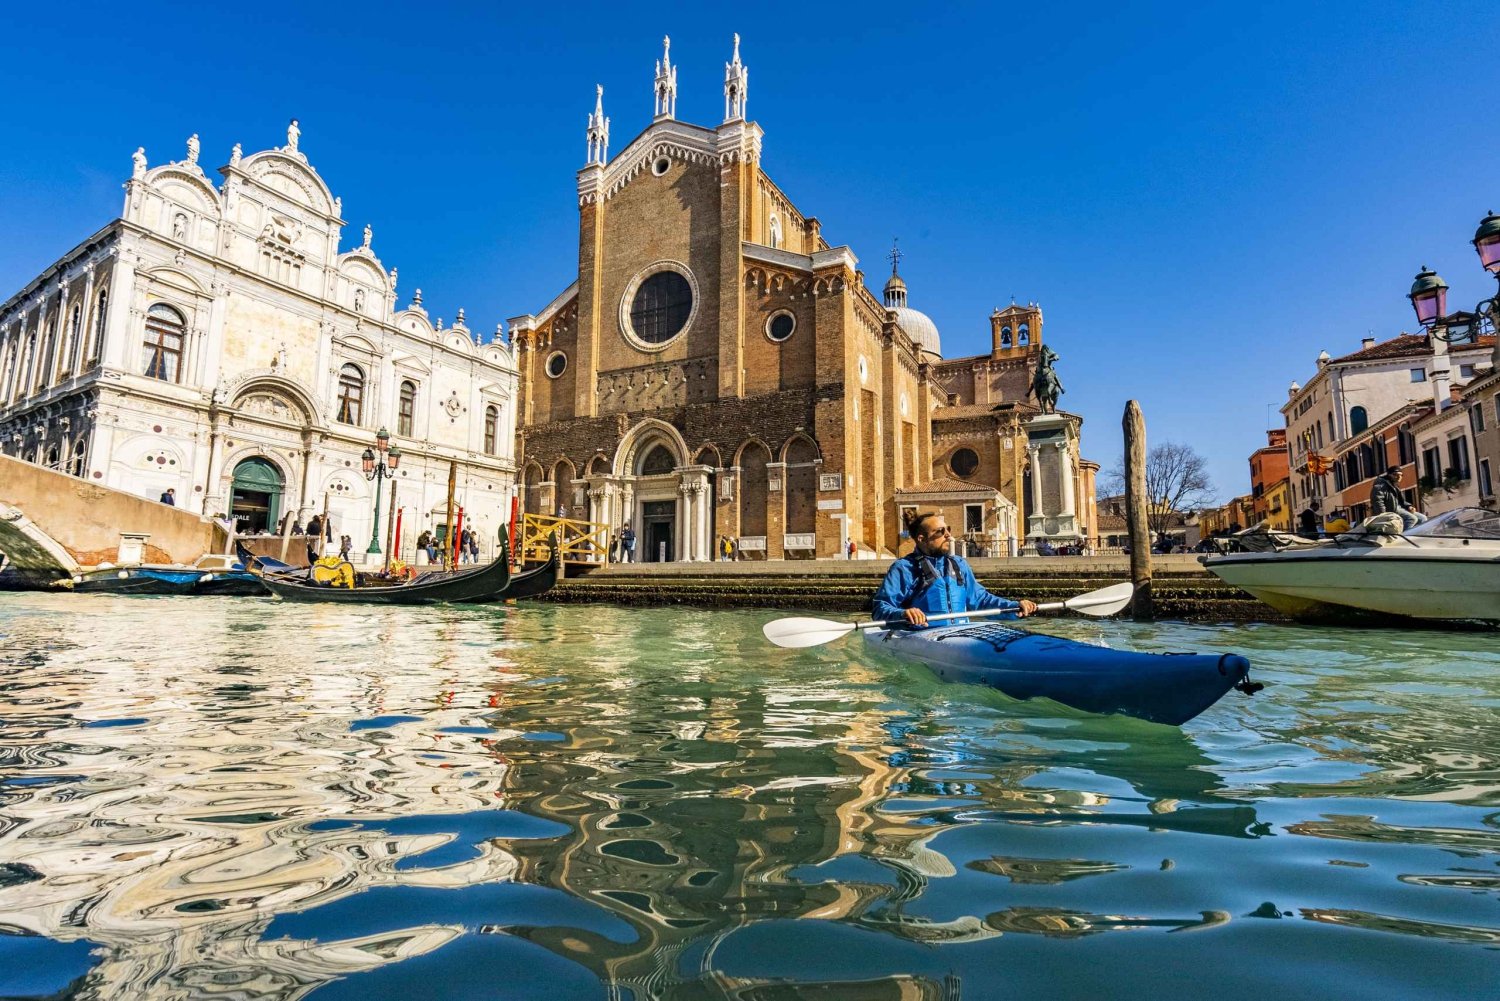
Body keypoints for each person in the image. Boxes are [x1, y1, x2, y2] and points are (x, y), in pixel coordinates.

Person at [873, 511, 1037, 628]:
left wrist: (1014, 607)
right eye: (941, 532)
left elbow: (980, 599)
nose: (949, 536)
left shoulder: (959, 564)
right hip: (921, 635)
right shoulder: (903, 568)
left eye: (948, 530)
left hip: (959, 633)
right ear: (922, 539)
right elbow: (881, 609)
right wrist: (903, 614)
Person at [1370, 465, 1424, 529]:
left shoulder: (1394, 485)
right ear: (1389, 475)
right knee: (1412, 519)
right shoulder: (1380, 485)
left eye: (1401, 475)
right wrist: (1384, 515)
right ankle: (1403, 536)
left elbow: (1401, 501)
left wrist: (1409, 506)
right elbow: (1377, 501)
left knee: (1422, 518)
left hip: (1399, 509)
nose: (1399, 477)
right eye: (1395, 475)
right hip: (1392, 511)